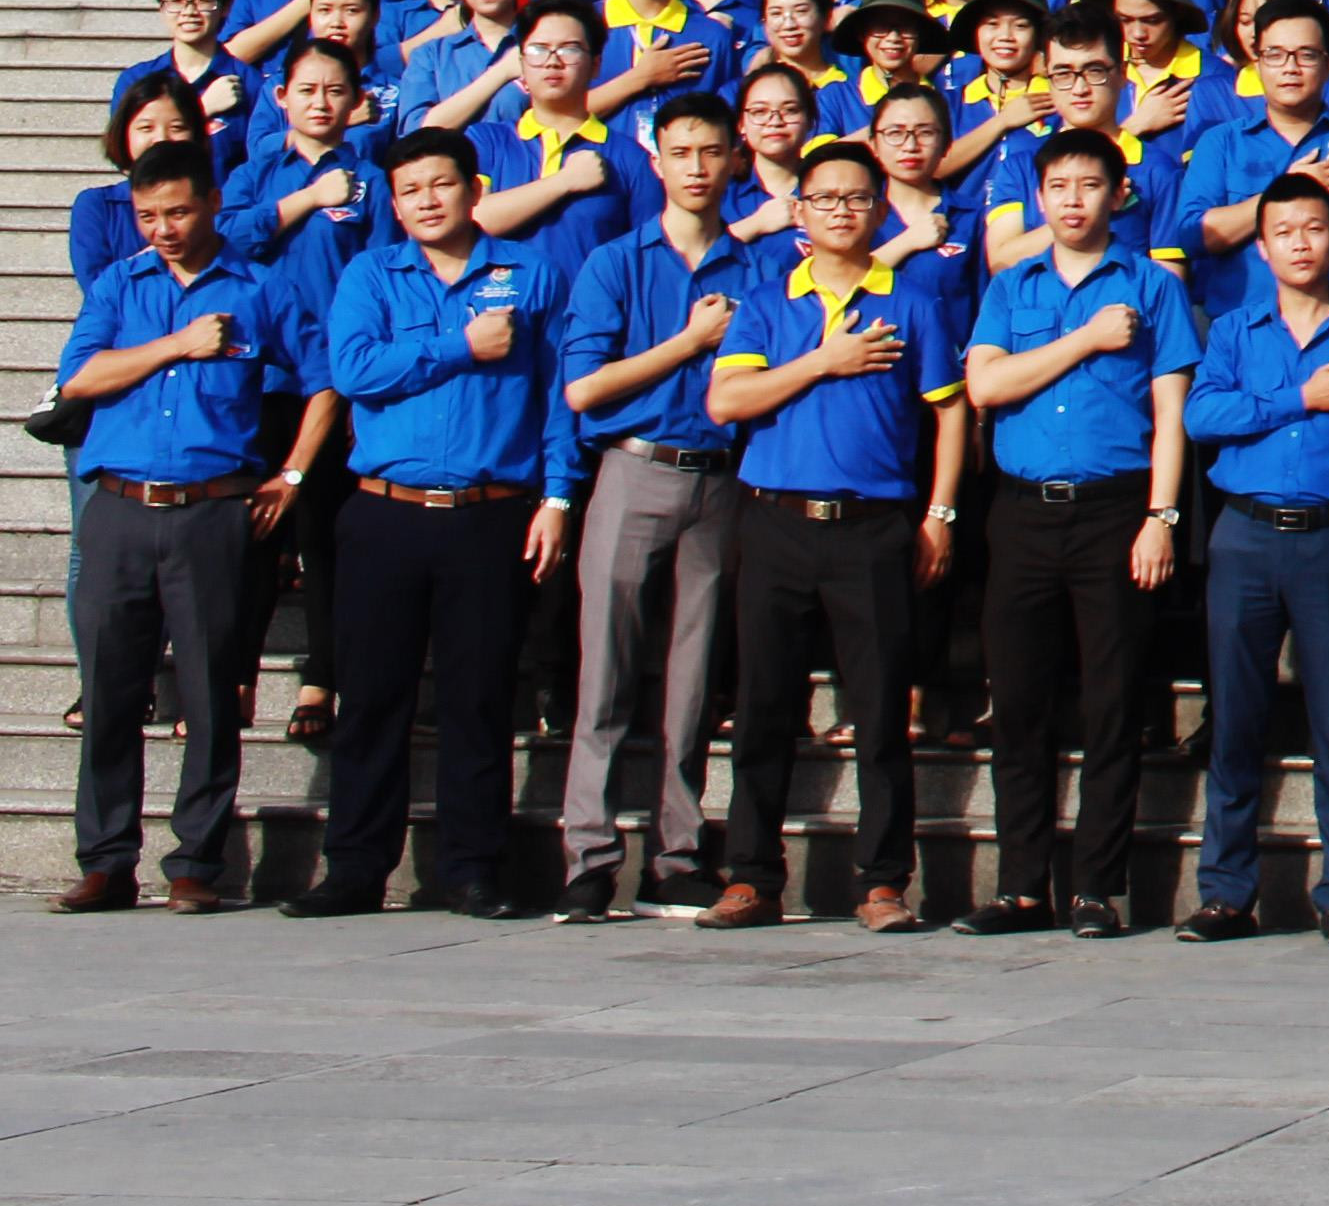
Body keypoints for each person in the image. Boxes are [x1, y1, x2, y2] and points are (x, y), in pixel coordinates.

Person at [292, 127, 570, 918]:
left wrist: (556, 497)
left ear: (473, 189)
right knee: (373, 696)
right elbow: (354, 371)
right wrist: (460, 347)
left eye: (440, 185)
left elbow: (556, 399)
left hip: (491, 515)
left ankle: (472, 867)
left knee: (477, 698)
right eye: (409, 190)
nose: (425, 201)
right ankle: (353, 867)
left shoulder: (530, 275)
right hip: (386, 515)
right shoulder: (371, 274)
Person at [704, 136, 973, 931]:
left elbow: (950, 411)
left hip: (873, 527)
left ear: (882, 208)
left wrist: (939, 513)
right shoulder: (765, 301)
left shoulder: (914, 304)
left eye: (858, 199)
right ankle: (752, 876)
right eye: (825, 199)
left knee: (883, 709)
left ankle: (883, 881)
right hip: (776, 521)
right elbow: (728, 402)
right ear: (799, 211)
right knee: (763, 706)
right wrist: (825, 360)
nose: (843, 212)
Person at [46, 145, 318, 915]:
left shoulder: (260, 286)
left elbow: (326, 382)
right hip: (121, 509)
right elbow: (80, 377)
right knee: (109, 690)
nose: (163, 228)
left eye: (178, 211)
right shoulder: (118, 284)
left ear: (213, 202)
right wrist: (176, 343)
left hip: (212, 511)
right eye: (148, 215)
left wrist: (292, 475)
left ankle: (196, 858)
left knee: (208, 689)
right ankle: (105, 859)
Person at [959, 125, 1201, 935]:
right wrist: (1086, 339)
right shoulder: (1012, 286)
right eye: (1058, 185)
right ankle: (1023, 884)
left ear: (1119, 193)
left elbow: (1171, 416)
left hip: (1115, 509)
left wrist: (1161, 518)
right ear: (1039, 194)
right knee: (1020, 702)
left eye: (1089, 185)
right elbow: (986, 385)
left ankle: (1098, 886)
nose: (1072, 199)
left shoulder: (1151, 284)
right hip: (1022, 510)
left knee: (1111, 701)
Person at [1174, 171, 1329, 942]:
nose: (1301, 244)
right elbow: (1203, 416)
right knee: (1235, 719)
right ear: (1261, 247)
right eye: (1285, 233)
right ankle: (1226, 892)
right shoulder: (1235, 330)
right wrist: (1298, 398)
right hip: (1245, 534)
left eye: (1315, 229)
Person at [552, 94, 748, 920]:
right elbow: (585, 388)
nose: (697, 168)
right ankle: (589, 853)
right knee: (606, 670)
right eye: (681, 152)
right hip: (633, 471)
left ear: (735, 158)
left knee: (694, 679)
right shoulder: (614, 262)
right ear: (656, 161)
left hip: (724, 478)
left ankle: (677, 851)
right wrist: (686, 346)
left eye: (711, 152)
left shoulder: (759, 266)